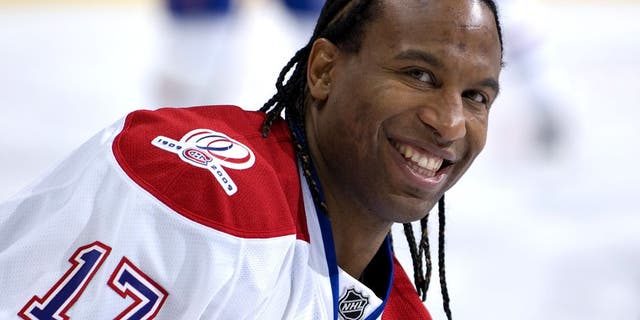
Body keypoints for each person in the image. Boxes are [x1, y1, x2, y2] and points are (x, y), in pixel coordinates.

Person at [0, 0, 503, 319]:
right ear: (323, 70)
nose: (450, 123)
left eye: (478, 96)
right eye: (417, 75)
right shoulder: (197, 198)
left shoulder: (400, 311)